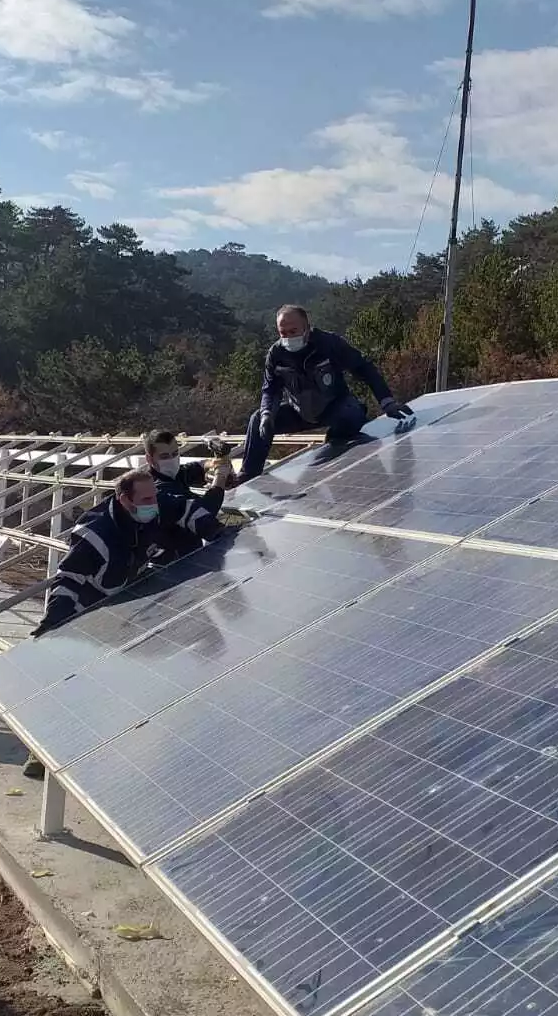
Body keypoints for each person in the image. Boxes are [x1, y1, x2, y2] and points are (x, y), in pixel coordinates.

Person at [21, 468, 222, 778]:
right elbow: (69, 580)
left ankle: (109, 745)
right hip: (86, 608)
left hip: (124, 601)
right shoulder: (96, 535)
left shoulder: (154, 508)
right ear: (124, 500)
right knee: (71, 682)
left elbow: (186, 509)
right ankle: (41, 753)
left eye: (153, 496)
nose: (153, 504)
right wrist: (55, 620)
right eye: (145, 499)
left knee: (114, 677)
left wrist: (213, 529)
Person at [236, 304, 412, 482]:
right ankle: (248, 475)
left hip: (334, 407)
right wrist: (267, 414)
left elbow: (363, 368)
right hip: (299, 412)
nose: (289, 337)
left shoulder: (329, 344)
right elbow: (270, 389)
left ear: (306, 327)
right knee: (258, 420)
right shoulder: (276, 354)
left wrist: (386, 401)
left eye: (293, 331)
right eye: (283, 333)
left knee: (352, 413)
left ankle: (336, 440)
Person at [143, 429, 234, 558]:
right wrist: (220, 477)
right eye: (164, 456)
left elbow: (195, 468)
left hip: (192, 554)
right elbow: (205, 512)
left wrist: (213, 464)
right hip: (175, 564)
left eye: (175, 453)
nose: (172, 460)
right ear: (149, 459)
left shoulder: (172, 475)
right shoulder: (157, 491)